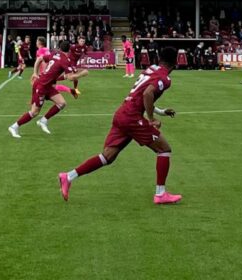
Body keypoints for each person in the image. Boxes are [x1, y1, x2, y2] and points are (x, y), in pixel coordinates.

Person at [58, 47, 181, 205]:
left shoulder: (151, 70)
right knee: (164, 149)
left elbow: (141, 96)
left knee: (107, 156)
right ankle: (160, 194)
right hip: (132, 118)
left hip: (122, 114)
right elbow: (147, 94)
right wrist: (151, 119)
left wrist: (161, 112)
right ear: (176, 61)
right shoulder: (165, 78)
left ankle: (68, 177)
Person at [8, 40, 88, 138]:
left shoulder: (55, 54)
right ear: (70, 50)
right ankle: (14, 126)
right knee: (34, 112)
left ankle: (43, 121)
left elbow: (39, 59)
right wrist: (82, 74)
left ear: (60, 48)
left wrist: (35, 73)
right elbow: (71, 77)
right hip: (42, 86)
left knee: (62, 103)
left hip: (47, 85)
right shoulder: (65, 60)